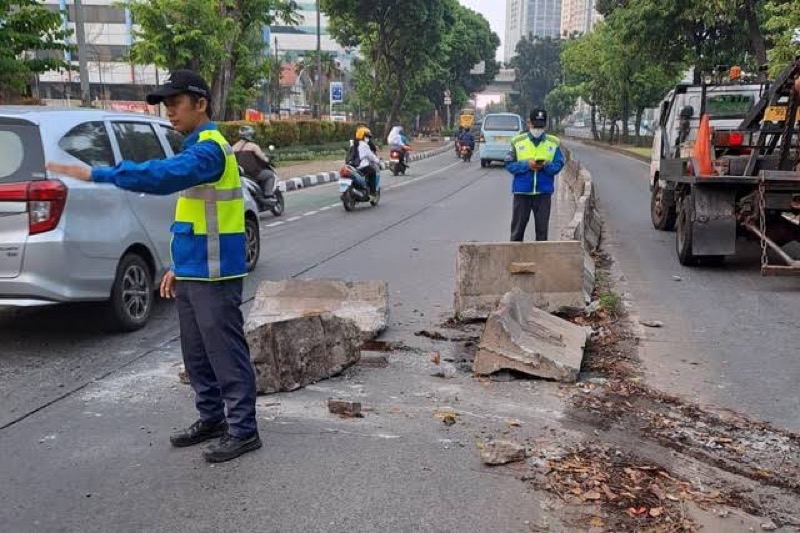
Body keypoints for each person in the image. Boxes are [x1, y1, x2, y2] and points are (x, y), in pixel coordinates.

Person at [45, 70, 261, 463]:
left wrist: (102, 173)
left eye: (176, 103)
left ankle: (244, 430)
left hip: (216, 274)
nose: (169, 112)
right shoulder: (193, 147)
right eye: (166, 105)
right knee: (197, 354)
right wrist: (177, 265)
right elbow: (192, 219)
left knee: (225, 352)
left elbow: (164, 177)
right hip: (195, 271)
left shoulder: (210, 149)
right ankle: (212, 417)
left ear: (201, 104)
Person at [505, 108, 565, 242]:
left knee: (542, 234)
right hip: (522, 193)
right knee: (517, 232)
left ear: (545, 125)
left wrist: (545, 166)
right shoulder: (517, 141)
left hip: (543, 194)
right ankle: (515, 259)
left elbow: (559, 164)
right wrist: (527, 165)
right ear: (529, 123)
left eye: (541, 126)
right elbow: (509, 164)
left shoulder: (553, 142)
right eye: (536, 126)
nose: (538, 129)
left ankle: (541, 262)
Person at [232, 125, 275, 197]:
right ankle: (268, 195)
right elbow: (263, 158)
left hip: (240, 174)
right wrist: (268, 159)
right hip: (253, 174)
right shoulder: (253, 146)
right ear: (250, 135)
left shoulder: (233, 147)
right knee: (270, 175)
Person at [355, 126, 380, 198]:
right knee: (372, 172)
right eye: (367, 136)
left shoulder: (353, 144)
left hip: (353, 166)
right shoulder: (364, 145)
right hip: (362, 167)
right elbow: (371, 156)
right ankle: (372, 193)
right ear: (362, 136)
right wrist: (378, 161)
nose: (368, 138)